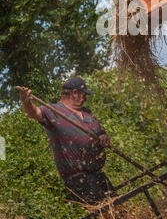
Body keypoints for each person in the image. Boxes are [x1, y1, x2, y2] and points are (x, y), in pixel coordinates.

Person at [19, 77, 116, 205]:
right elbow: (34, 112)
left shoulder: (87, 113)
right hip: (79, 180)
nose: (85, 98)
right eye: (84, 94)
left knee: (120, 210)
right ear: (74, 93)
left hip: (99, 175)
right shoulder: (53, 111)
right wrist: (26, 102)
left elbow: (101, 132)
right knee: (103, 218)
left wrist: (104, 137)